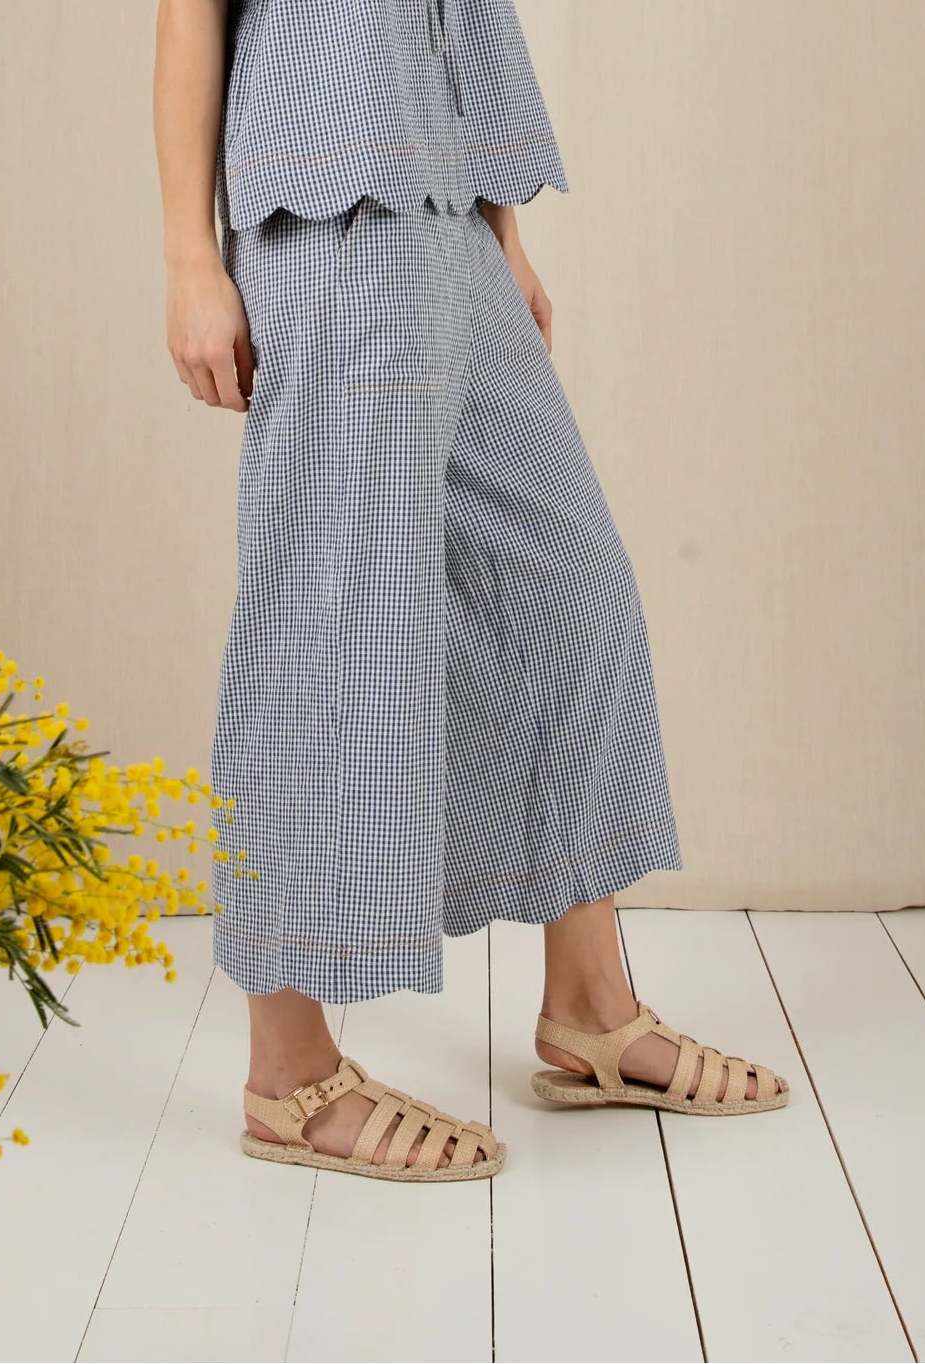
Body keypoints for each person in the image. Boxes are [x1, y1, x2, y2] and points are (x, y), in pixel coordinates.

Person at [153, 0, 788, 1183]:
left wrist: (497, 230)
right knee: (325, 622)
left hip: (450, 221)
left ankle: (589, 1007)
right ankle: (287, 1074)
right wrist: (193, 259)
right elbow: (190, 13)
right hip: (325, 221)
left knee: (567, 588)